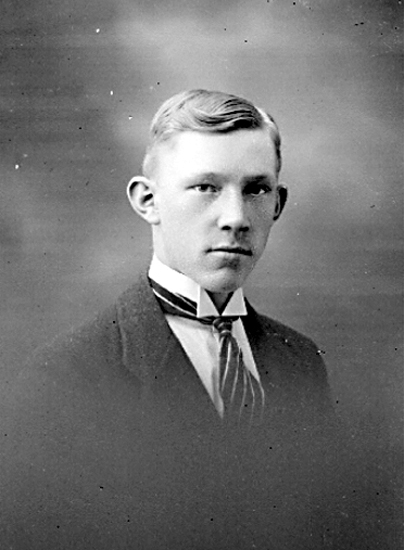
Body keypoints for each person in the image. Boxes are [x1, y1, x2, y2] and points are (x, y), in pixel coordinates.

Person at [1, 90, 357, 549]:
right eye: (206, 187)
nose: (236, 218)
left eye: (256, 189)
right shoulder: (68, 376)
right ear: (148, 200)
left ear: (278, 204)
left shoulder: (301, 362)